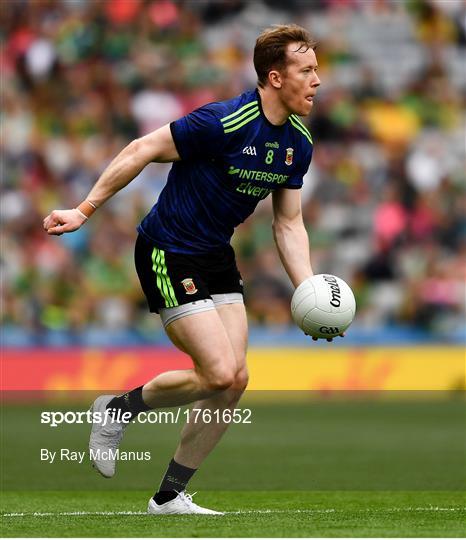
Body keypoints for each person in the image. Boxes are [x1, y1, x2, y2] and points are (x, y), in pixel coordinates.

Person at [43, 24, 322, 515]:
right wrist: (83, 210)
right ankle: (116, 409)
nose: (318, 80)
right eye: (307, 70)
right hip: (168, 249)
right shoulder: (223, 121)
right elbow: (141, 149)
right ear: (275, 78)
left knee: (235, 380)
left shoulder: (298, 142)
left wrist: (308, 294)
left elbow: (289, 224)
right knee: (216, 372)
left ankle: (169, 496)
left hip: (215, 254)